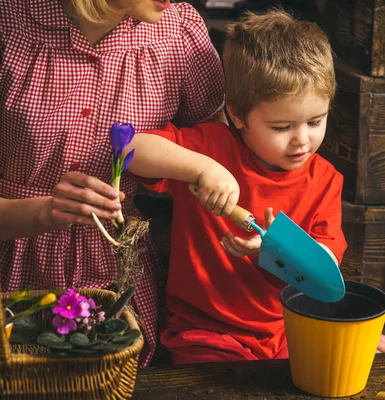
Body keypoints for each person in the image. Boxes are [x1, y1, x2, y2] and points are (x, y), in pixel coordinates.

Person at [0, 0, 225, 367]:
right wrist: (43, 211)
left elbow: (217, 150)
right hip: (12, 273)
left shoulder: (179, 32)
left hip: (119, 277)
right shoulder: (10, 22)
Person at [125, 9, 347, 364]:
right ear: (237, 114)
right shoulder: (212, 147)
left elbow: (327, 268)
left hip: (285, 334)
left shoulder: (324, 180)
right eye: (281, 127)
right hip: (205, 333)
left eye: (315, 121)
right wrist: (201, 168)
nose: (301, 141)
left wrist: (275, 247)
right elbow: (129, 149)